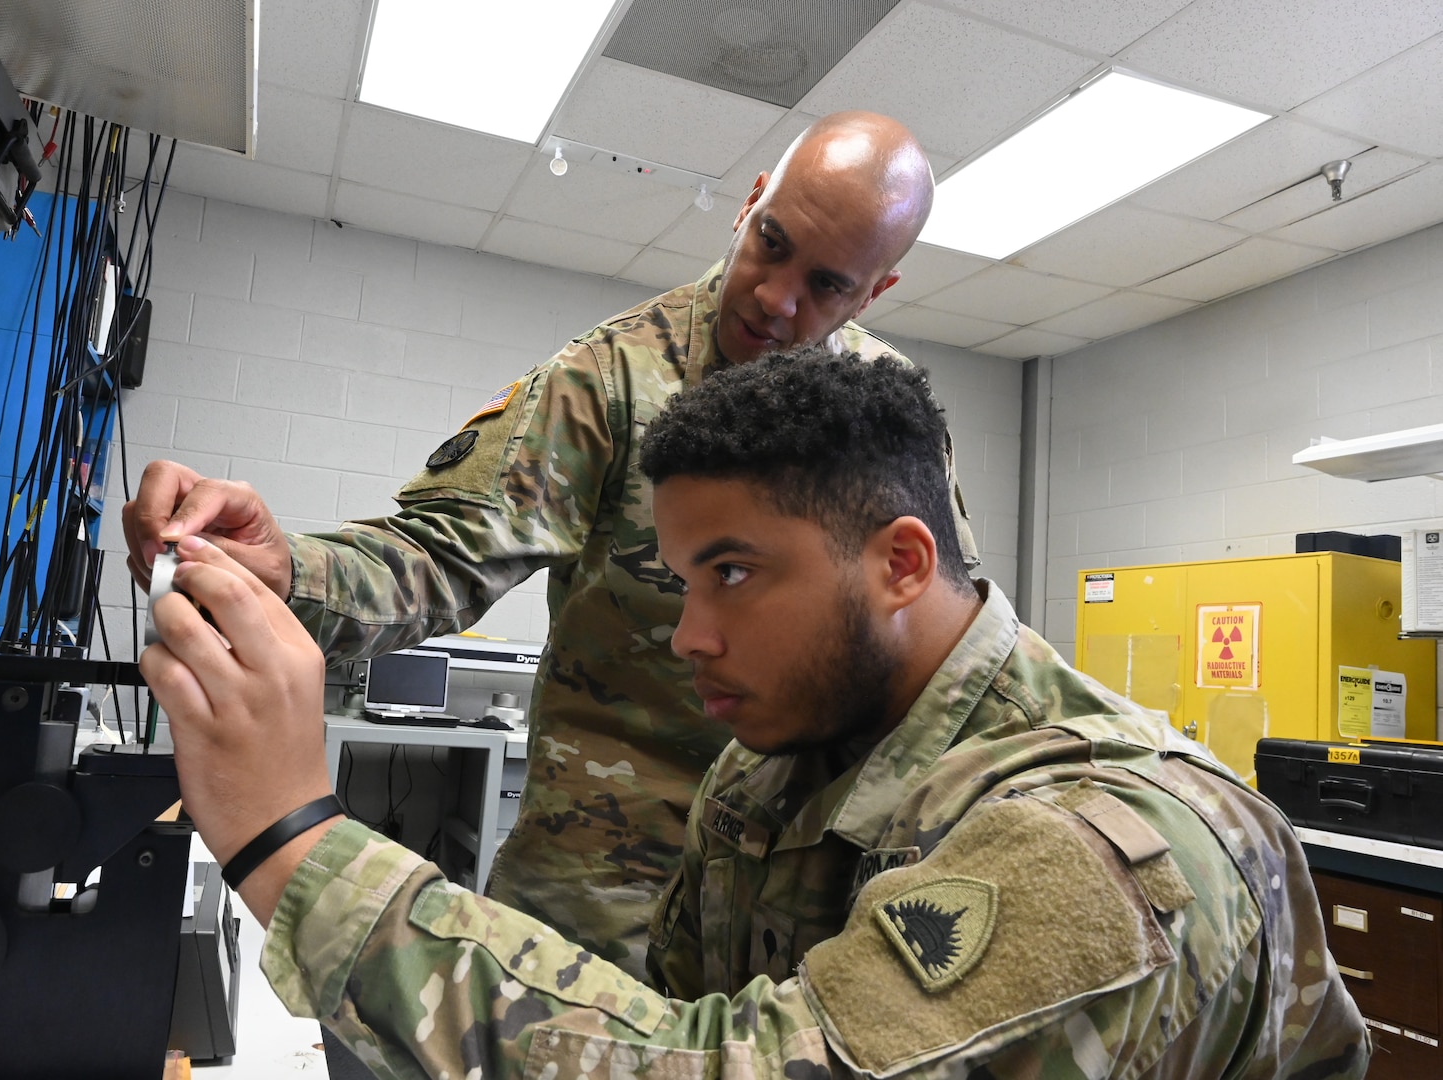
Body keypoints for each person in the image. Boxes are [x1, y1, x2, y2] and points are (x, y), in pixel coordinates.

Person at [141, 346, 1369, 1079]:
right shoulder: (773, 766)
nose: (688, 635)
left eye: (733, 572)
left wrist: (291, 838)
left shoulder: (1097, 851)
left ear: (898, 562)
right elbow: (680, 1023)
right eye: (680, 584)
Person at [124, 110, 979, 978]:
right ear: (749, 203)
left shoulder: (887, 415)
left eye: (826, 284)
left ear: (875, 292)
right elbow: (440, 556)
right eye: (770, 242)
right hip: (608, 880)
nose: (772, 295)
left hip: (804, 897)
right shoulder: (610, 379)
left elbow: (947, 630)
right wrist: (280, 567)